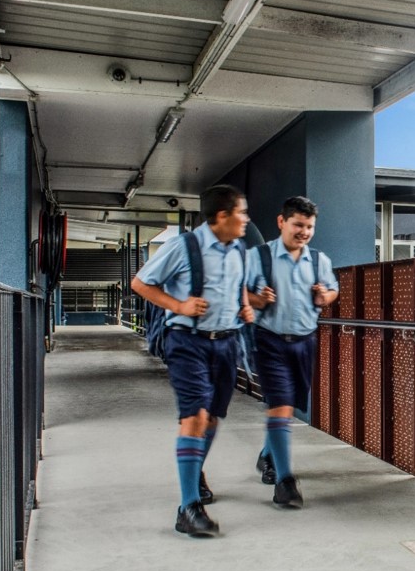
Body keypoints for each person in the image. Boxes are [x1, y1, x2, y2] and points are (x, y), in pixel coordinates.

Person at [130, 185, 254, 537]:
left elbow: (238, 282)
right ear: (222, 217)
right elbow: (140, 283)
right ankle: (188, 508)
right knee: (195, 416)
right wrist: (179, 306)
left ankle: (194, 471)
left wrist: (243, 304)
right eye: (241, 213)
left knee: (212, 418)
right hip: (188, 342)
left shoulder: (238, 249)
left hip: (227, 344)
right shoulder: (182, 247)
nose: (246, 220)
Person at [247, 195, 339, 507]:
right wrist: (257, 299)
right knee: (281, 406)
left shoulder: (318, 260)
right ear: (281, 222)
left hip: (305, 341)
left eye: (309, 226)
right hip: (270, 340)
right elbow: (238, 292)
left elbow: (332, 290)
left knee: (290, 406)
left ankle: (267, 454)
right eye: (298, 224)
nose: (304, 231)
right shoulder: (258, 257)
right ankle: (285, 482)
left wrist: (325, 297)